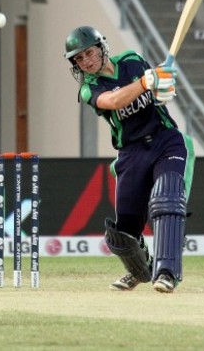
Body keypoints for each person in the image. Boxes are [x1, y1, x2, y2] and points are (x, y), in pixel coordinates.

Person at [63, 26, 195, 293]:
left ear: (101, 48)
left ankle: (167, 272)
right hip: (131, 152)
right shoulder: (90, 88)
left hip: (164, 138)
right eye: (79, 58)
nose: (86, 61)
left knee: (167, 200)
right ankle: (138, 271)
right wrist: (147, 82)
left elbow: (157, 95)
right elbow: (114, 101)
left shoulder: (132, 60)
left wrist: (163, 85)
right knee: (124, 232)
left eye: (89, 52)